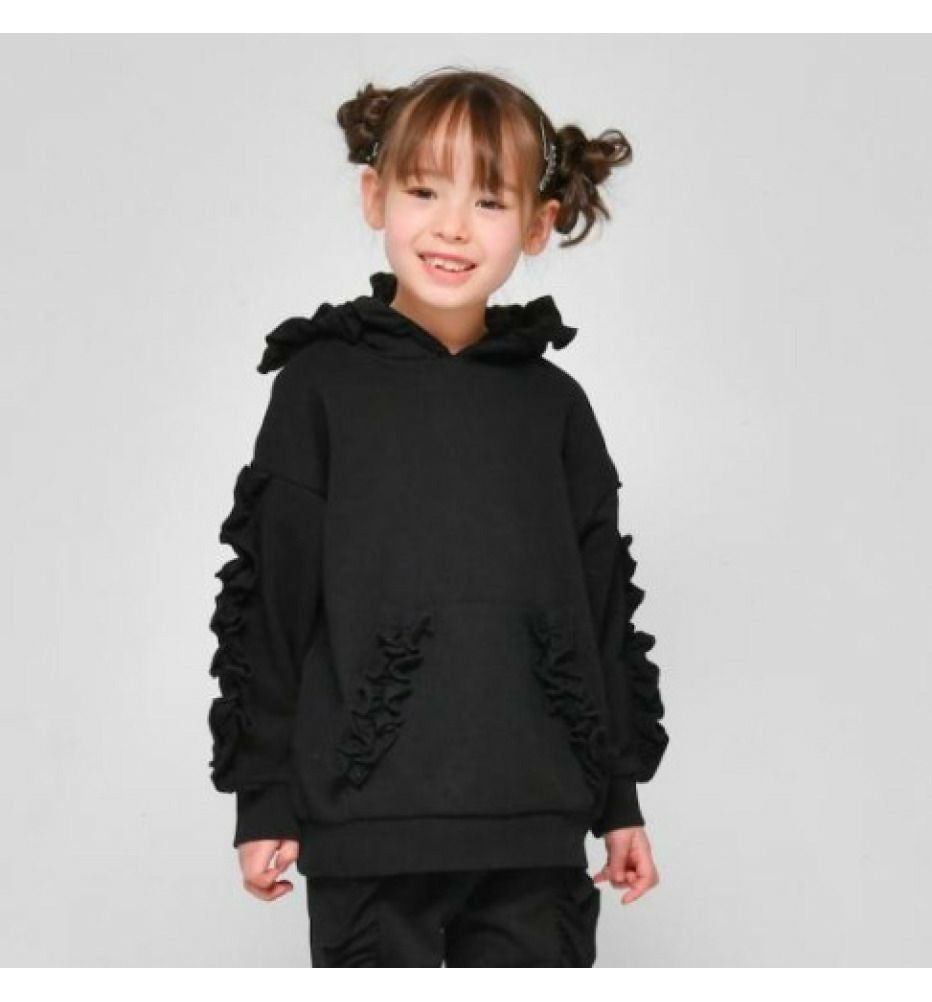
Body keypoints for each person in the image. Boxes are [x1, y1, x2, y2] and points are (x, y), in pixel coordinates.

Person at [206, 66, 670, 967]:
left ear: (537, 224)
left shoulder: (555, 407)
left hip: (536, 829)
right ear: (374, 197)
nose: (453, 226)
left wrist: (620, 800)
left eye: (489, 202)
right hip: (367, 833)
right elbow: (271, 604)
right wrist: (263, 797)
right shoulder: (319, 389)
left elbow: (601, 609)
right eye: (424, 191)